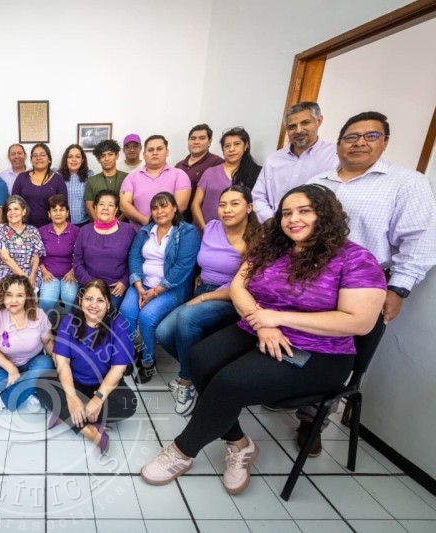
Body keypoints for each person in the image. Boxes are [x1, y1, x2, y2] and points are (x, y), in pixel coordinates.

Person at [139, 184, 386, 495]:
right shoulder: (271, 248)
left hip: (319, 350)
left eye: (304, 211)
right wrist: (262, 321)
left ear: (326, 214)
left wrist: (279, 319)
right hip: (257, 327)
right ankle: (239, 444)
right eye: (287, 213)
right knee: (200, 358)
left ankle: (182, 451)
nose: (293, 219)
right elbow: (238, 287)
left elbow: (359, 321)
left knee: (229, 382)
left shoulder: (355, 259)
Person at [300, 110, 436, 453]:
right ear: (339, 144)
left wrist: (399, 287)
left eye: (371, 136)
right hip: (310, 279)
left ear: (384, 142)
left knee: (341, 355)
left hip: (364, 287)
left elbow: (420, 240)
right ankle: (289, 394)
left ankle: (313, 421)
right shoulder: (317, 184)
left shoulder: (406, 183)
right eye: (351, 137)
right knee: (304, 341)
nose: (360, 142)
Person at [156, 186, 262, 415]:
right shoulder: (212, 227)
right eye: (223, 204)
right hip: (203, 288)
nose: (227, 209)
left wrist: (205, 296)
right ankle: (200, 374)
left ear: (249, 207)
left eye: (235, 204)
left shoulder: (256, 238)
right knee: (163, 332)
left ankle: (186, 381)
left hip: (231, 297)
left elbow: (243, 286)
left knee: (187, 317)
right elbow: (205, 259)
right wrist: (200, 277)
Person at [38, 280, 137, 454]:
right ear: (80, 300)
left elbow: (118, 369)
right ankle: (88, 429)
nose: (93, 305)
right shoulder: (69, 321)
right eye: (89, 299)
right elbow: (62, 362)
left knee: (129, 404)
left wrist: (98, 400)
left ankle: (66, 415)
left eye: (100, 300)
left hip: (103, 385)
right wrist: (71, 397)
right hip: (73, 381)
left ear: (108, 304)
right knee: (42, 384)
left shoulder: (119, 325)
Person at [120, 192, 200, 384]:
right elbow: (134, 257)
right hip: (143, 284)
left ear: (175, 208)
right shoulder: (146, 231)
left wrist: (156, 291)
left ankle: (148, 361)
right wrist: (139, 286)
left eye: (164, 206)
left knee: (147, 317)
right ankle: (128, 355)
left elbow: (182, 267)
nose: (159, 211)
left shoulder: (187, 232)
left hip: (171, 288)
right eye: (155, 208)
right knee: (126, 312)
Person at [0, 275, 54, 412]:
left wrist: (60, 365)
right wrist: (11, 368)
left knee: (45, 363)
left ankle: (4, 399)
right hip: (4, 365)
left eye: (19, 295)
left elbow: (48, 343)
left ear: (27, 297)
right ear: (3, 296)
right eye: (9, 295)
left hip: (32, 363)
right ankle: (30, 391)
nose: (13, 300)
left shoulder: (39, 315)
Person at [252, 102, 339, 222]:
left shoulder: (335, 155)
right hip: (275, 226)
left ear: (318, 121)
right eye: (292, 126)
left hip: (318, 228)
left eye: (305, 123)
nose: (298, 130)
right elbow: (258, 197)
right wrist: (271, 221)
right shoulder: (274, 159)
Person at [73, 190, 136, 309]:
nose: (105, 208)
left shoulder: (128, 230)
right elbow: (77, 262)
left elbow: (134, 261)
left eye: (110, 205)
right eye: (101, 204)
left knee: (108, 316)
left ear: (116, 210)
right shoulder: (85, 231)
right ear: (95, 207)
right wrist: (91, 284)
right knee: (80, 316)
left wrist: (124, 281)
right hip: (89, 286)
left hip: (115, 289)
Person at [190, 127, 262, 230]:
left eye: (237, 144)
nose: (231, 149)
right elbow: (195, 205)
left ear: (246, 146)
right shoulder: (210, 172)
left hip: (239, 234)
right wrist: (205, 229)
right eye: (227, 146)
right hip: (205, 232)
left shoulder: (256, 173)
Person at [120, 134, 191, 229]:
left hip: (171, 232)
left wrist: (160, 223)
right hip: (139, 233)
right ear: (144, 154)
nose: (155, 153)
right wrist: (146, 221)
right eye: (150, 150)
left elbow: (181, 205)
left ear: (167, 152)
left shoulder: (179, 175)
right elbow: (124, 205)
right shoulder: (131, 177)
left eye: (159, 149)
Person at [38, 194, 81, 316]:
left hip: (70, 275)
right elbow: (36, 255)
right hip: (49, 275)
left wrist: (73, 271)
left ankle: (69, 326)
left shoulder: (77, 231)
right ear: (49, 213)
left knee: (70, 299)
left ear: (67, 213)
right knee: (46, 300)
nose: (58, 213)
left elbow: (81, 255)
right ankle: (45, 326)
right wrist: (43, 271)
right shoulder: (41, 231)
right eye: (54, 210)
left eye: (61, 210)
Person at [0, 195, 45, 287]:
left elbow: (35, 257)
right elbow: (6, 258)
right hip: (7, 274)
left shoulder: (33, 231)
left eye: (16, 209)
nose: (12, 212)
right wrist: (25, 278)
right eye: (9, 210)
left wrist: (32, 274)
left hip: (30, 274)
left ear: (23, 211)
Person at [12, 144, 69, 228]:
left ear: (49, 159)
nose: (38, 158)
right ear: (31, 160)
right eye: (35, 155)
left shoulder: (58, 179)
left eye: (42, 155)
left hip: (51, 229)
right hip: (25, 229)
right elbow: (13, 203)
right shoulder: (21, 178)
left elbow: (64, 206)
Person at [174, 124, 225, 203]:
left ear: (210, 141)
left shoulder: (217, 163)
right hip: (178, 209)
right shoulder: (179, 166)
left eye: (202, 138)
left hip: (202, 210)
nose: (196, 142)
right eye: (193, 138)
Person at [86, 139, 128, 221]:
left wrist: (117, 223)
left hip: (122, 224)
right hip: (98, 225)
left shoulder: (127, 178)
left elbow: (129, 204)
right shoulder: (92, 180)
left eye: (110, 154)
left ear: (117, 156)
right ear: (98, 160)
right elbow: (89, 205)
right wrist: (99, 223)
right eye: (103, 156)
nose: (107, 159)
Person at [58, 144, 92, 225]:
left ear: (82, 160)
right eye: (70, 157)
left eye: (77, 157)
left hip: (84, 222)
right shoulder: (57, 176)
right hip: (63, 223)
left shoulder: (89, 176)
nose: (74, 160)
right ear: (66, 159)